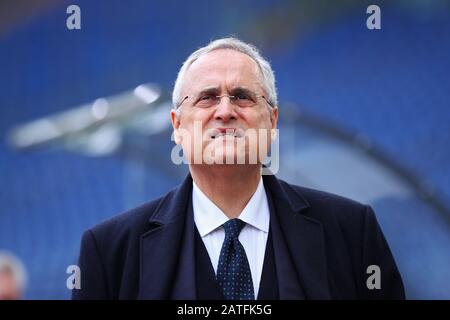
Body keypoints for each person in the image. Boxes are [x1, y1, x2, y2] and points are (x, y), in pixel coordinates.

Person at [72, 37, 405, 300]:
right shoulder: (109, 253)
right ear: (177, 125)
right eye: (207, 97)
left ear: (272, 121)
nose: (225, 110)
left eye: (243, 96)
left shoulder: (351, 233)